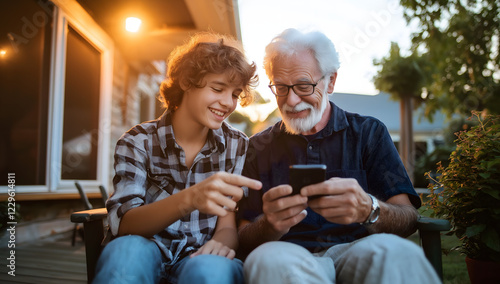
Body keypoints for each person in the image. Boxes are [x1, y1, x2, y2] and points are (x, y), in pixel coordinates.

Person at [237, 28, 441, 284]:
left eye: (303, 86)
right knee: (266, 261)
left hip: (358, 249)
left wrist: (369, 209)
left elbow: (408, 217)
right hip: (287, 253)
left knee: (398, 254)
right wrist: (269, 225)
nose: (290, 100)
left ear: (331, 81)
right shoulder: (257, 147)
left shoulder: (369, 133)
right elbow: (242, 235)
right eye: (280, 87)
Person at [93, 32, 262, 284]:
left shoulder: (237, 145)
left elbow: (226, 225)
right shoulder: (137, 141)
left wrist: (220, 243)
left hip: (198, 255)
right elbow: (125, 224)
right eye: (218, 88)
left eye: (235, 94)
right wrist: (191, 198)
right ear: (185, 82)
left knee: (211, 271)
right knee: (125, 253)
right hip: (144, 247)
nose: (228, 103)